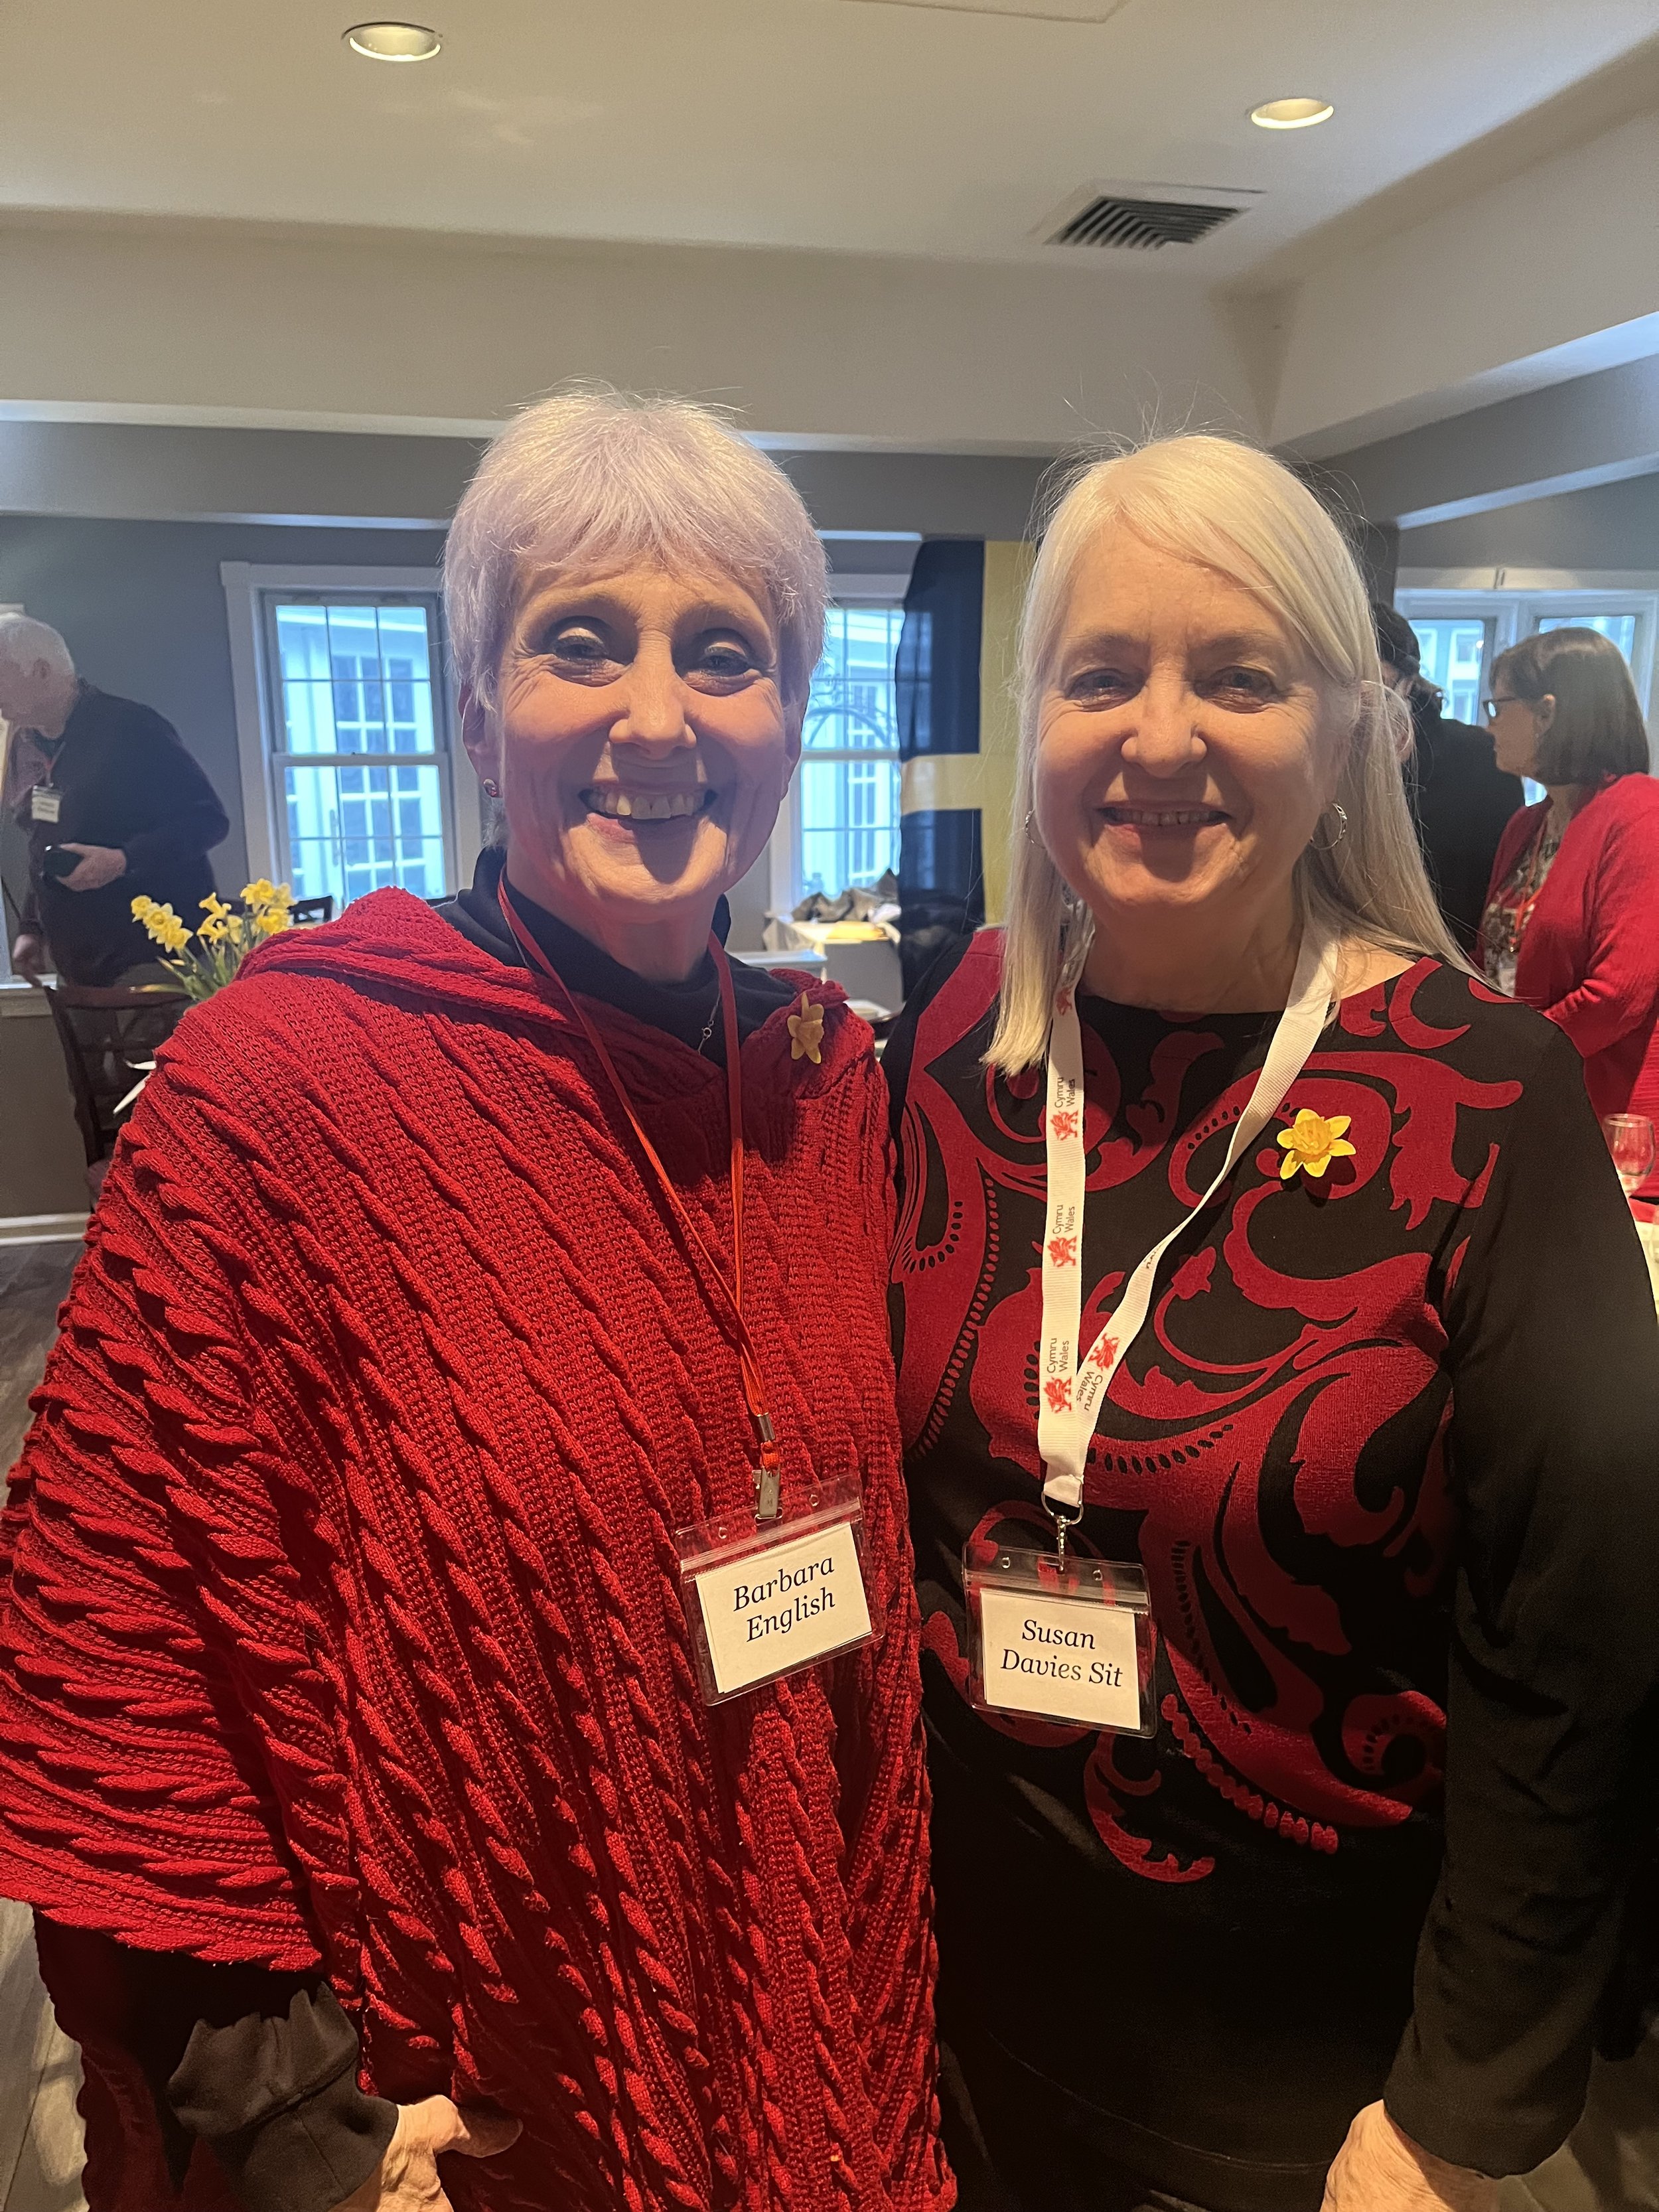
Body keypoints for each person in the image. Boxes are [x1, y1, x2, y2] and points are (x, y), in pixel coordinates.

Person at [0, 394, 951, 2212]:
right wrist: (303, 2115)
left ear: (787, 726)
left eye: (726, 654)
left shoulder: (830, 1086)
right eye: (578, 640)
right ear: (470, 705)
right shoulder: (281, 1085)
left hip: (804, 2008)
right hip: (470, 2093)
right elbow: (138, 1638)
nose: (656, 718)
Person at [885, 435, 1659, 2212]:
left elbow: (1580, 1648)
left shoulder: (1483, 1093)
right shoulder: (954, 1048)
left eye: (1237, 675)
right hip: (956, 2021)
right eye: (1102, 673)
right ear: (1037, 724)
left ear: (1343, 731)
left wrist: (1459, 2110)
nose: (1161, 738)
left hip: (1312, 2096)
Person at [1477, 627, 1659, 1197]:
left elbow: (1619, 995)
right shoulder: (1526, 823)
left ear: (1548, 712)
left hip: (1603, 1116)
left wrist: (1512, 1053)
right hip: (1526, 1096)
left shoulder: (1639, 812)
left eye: (1498, 706)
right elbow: (1493, 960)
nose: (1489, 725)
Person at [0, 615, 230, 986]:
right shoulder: (25, 747)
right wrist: (32, 928)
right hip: (75, 963)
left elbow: (207, 821)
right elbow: (43, 844)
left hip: (155, 959)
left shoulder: (131, 728)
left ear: (40, 671)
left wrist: (124, 861)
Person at [1372, 603, 1522, 957]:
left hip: (1452, 972)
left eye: (1372, 685)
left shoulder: (1482, 760)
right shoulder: (1315, 762)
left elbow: (1500, 895)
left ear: (1407, 683)